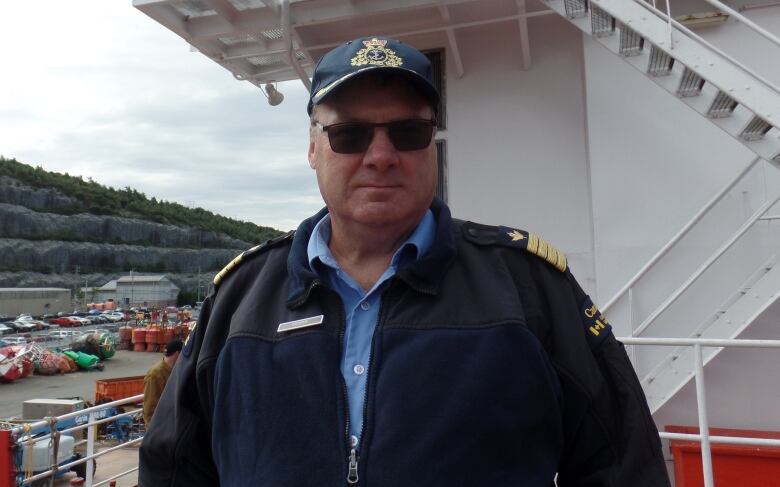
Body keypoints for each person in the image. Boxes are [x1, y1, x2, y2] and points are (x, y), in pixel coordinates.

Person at [140, 36, 670, 486]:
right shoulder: (238, 300)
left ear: (432, 144)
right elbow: (173, 467)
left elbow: (624, 465)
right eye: (349, 134)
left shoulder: (529, 290)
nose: (381, 155)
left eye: (407, 132)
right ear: (312, 148)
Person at [142, 338, 182, 425]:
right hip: (161, 427)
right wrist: (154, 432)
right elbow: (149, 407)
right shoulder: (155, 374)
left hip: (171, 422)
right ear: (177, 353)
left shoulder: (174, 370)